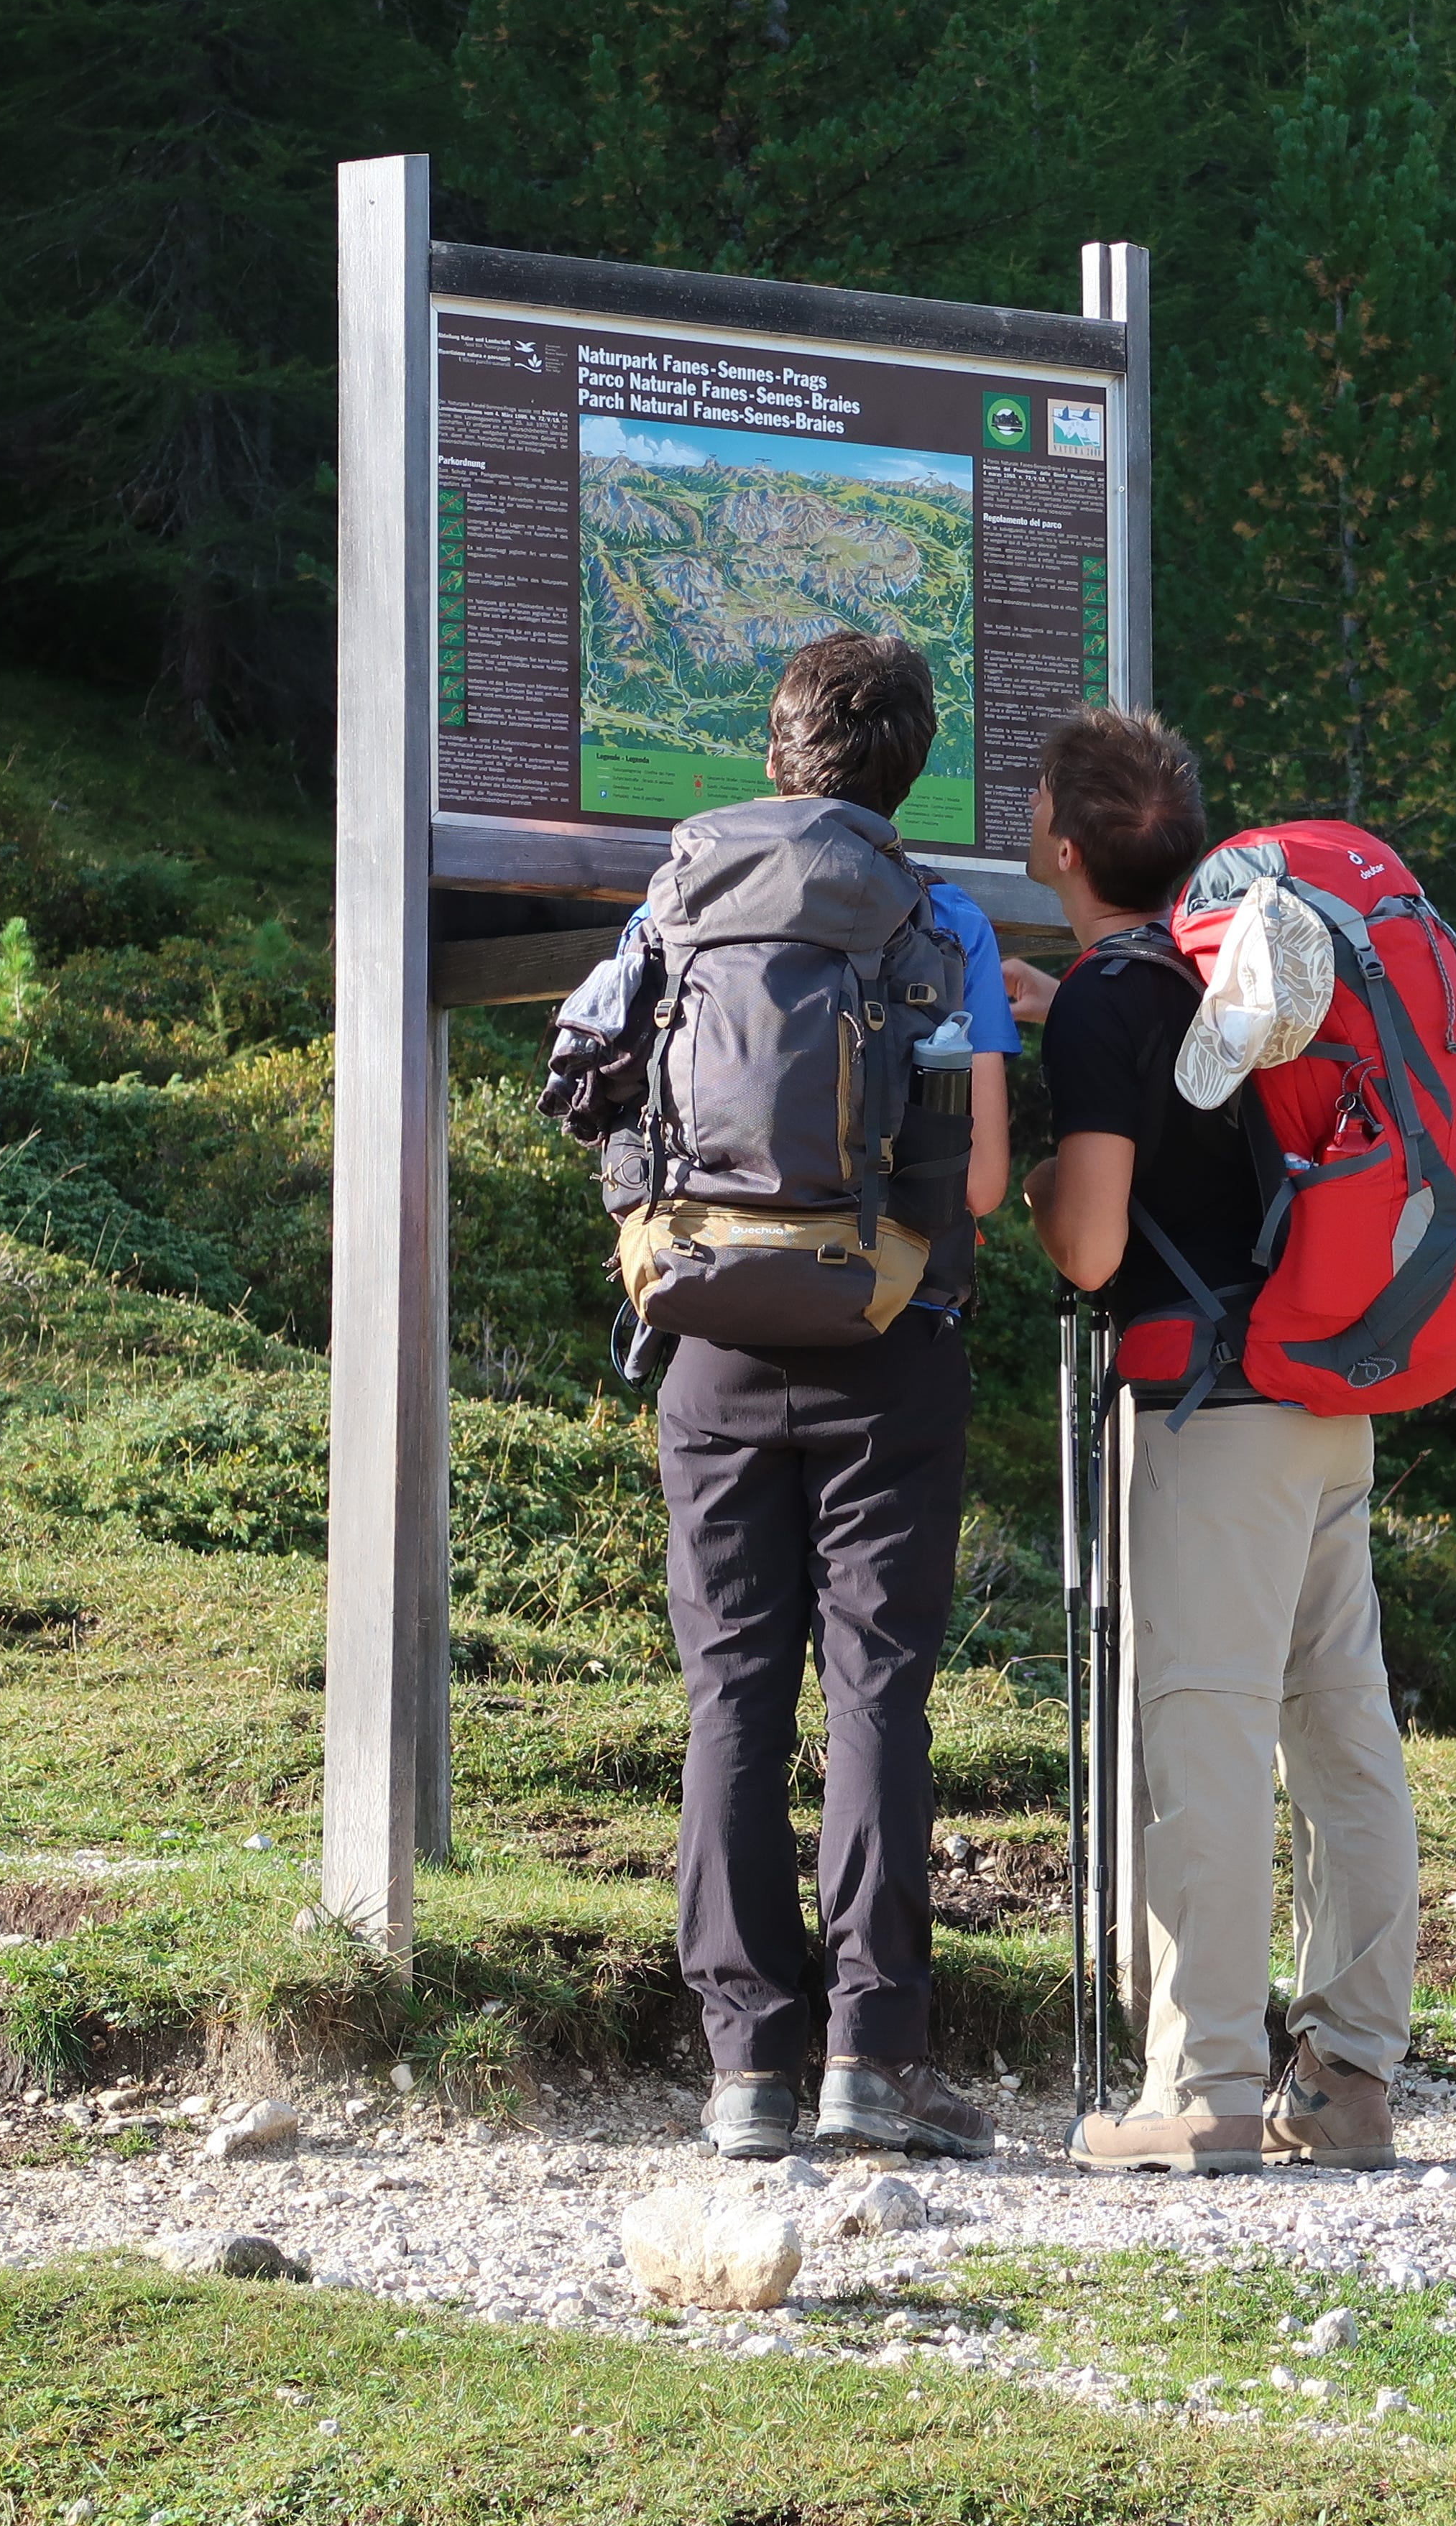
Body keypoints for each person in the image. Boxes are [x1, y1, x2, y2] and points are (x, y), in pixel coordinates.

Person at [1014, 706, 1420, 2174]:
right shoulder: (1236, 965)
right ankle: (1350, 2081)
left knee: (1202, 1723)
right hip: (1323, 1393)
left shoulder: (1114, 1003)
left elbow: (1092, 1242)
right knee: (1341, 1731)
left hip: (1207, 1415)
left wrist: (1045, 1163)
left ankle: (1202, 2090)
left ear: (1061, 846)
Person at [655, 635, 1013, 2165]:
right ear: (910, 767)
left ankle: (746, 2070)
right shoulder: (946, 923)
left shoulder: (677, 897)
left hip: (714, 1338)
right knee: (875, 1693)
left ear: (779, 750)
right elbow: (983, 1175)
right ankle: (873, 2055)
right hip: (890, 1338)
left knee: (732, 1690)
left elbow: (601, 1081)